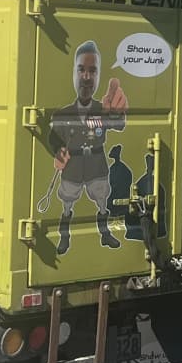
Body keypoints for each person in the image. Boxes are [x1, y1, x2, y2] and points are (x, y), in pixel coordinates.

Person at [46, 41, 129, 253]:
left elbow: (119, 125)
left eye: (93, 71)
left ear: (99, 75)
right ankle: (64, 237)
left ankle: (105, 234)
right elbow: (52, 137)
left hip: (96, 165)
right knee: (67, 203)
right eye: (81, 69)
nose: (86, 77)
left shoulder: (104, 109)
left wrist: (118, 113)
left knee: (102, 200)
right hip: (72, 166)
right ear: (74, 72)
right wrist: (58, 150)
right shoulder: (62, 114)